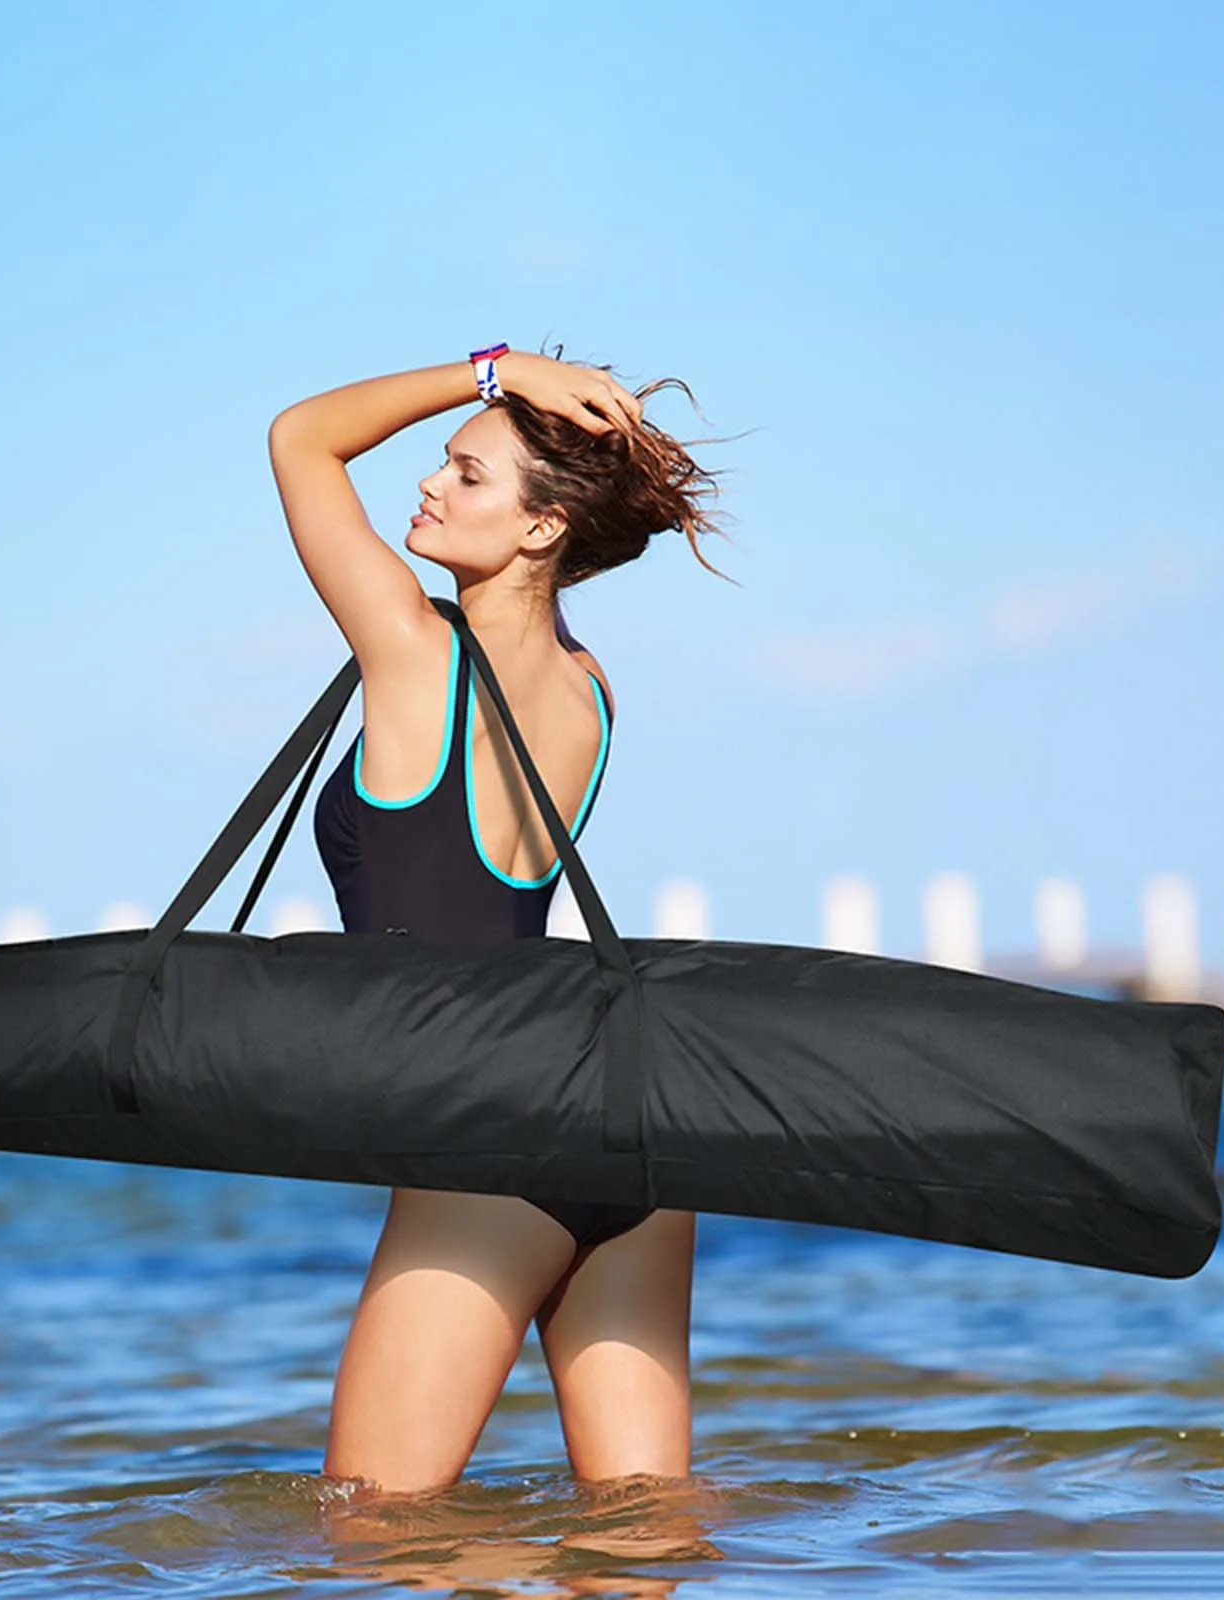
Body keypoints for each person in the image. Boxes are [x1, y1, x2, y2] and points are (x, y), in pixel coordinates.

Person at [266, 342, 731, 1496]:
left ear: (537, 530)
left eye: (466, 474)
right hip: (634, 1149)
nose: (425, 485)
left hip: (485, 1153)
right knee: (641, 1540)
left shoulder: (415, 656)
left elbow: (300, 437)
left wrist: (492, 367)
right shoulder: (592, 689)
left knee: (374, 1536)